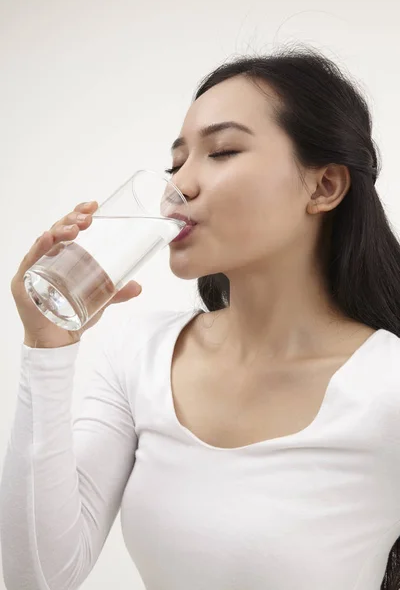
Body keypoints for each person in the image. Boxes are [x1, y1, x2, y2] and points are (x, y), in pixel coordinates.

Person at [1, 45, 400, 590]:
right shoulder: (138, 352)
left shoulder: (387, 383)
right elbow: (39, 577)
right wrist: (46, 347)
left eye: (223, 151)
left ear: (324, 186)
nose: (178, 188)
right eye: (176, 162)